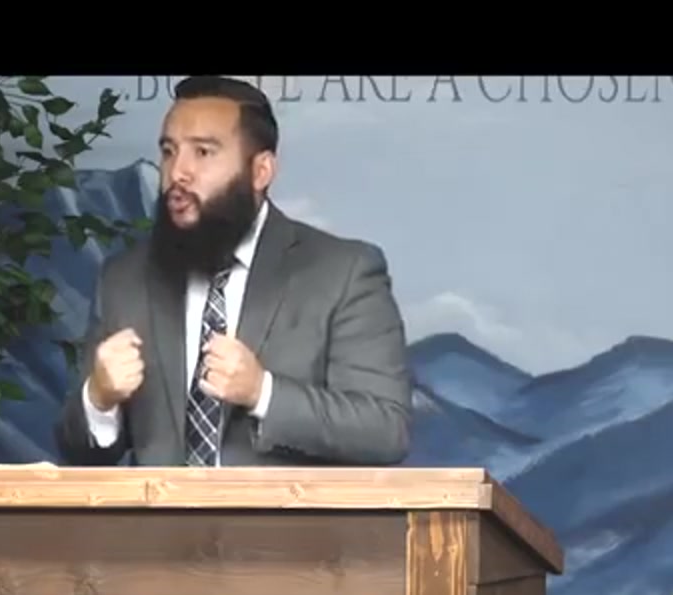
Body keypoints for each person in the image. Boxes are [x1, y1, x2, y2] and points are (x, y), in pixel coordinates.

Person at [53, 75, 412, 467]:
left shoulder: (344, 273)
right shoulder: (124, 278)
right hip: (158, 511)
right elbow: (77, 451)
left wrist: (263, 393)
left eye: (203, 152)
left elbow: (385, 430)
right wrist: (99, 399)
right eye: (169, 151)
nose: (177, 173)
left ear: (261, 171)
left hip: (287, 511)